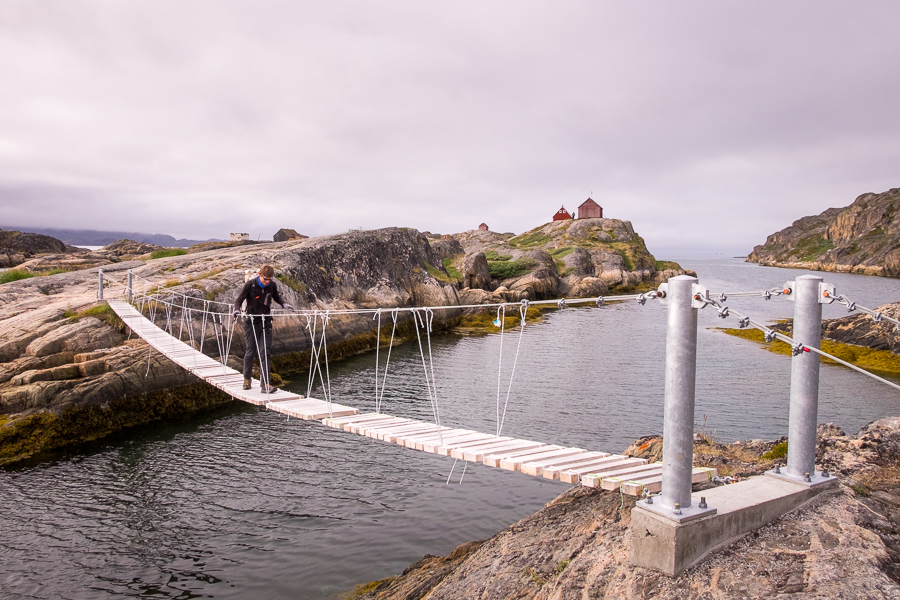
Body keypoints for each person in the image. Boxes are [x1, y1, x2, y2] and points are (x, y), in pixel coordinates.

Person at [233, 264, 294, 392]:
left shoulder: (272, 285)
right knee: (250, 352)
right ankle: (246, 381)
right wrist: (236, 310)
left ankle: (265, 385)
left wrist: (284, 304)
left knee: (265, 352)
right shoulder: (250, 285)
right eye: (265, 279)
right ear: (260, 275)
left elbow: (276, 297)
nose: (267, 282)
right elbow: (239, 300)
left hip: (266, 321)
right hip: (251, 322)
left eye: (269, 280)